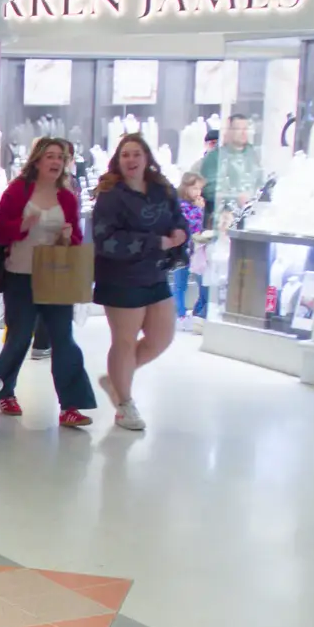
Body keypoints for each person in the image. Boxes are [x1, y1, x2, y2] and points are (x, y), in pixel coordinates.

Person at [0, 138, 95, 427]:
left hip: (55, 276)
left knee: (63, 339)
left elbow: (74, 239)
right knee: (20, 336)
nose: (56, 161)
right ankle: (2, 389)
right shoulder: (17, 191)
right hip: (20, 275)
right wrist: (21, 227)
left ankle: (71, 406)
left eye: (60, 157)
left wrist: (68, 237)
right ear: (37, 160)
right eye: (50, 155)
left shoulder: (67, 197)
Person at [91, 134, 189, 432]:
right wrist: (154, 241)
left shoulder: (162, 189)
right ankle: (124, 403)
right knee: (124, 340)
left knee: (161, 337)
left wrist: (180, 233)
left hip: (156, 273)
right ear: (118, 161)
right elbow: (104, 239)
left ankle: (116, 378)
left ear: (147, 157)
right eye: (125, 155)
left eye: (136, 154)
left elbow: (179, 218)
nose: (131, 160)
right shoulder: (110, 195)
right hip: (120, 276)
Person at [198, 114, 262, 223]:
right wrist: (234, 197)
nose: (243, 132)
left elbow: (259, 181)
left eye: (245, 129)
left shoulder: (252, 155)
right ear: (229, 131)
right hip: (221, 221)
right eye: (238, 129)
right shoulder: (214, 157)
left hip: (251, 219)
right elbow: (208, 190)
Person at [170, 171, 210, 329]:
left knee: (201, 282)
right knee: (180, 283)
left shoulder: (196, 203)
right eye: (194, 188)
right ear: (185, 187)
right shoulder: (180, 204)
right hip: (182, 249)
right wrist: (199, 210)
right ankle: (179, 315)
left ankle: (195, 313)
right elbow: (189, 224)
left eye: (199, 188)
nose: (198, 192)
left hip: (196, 249)